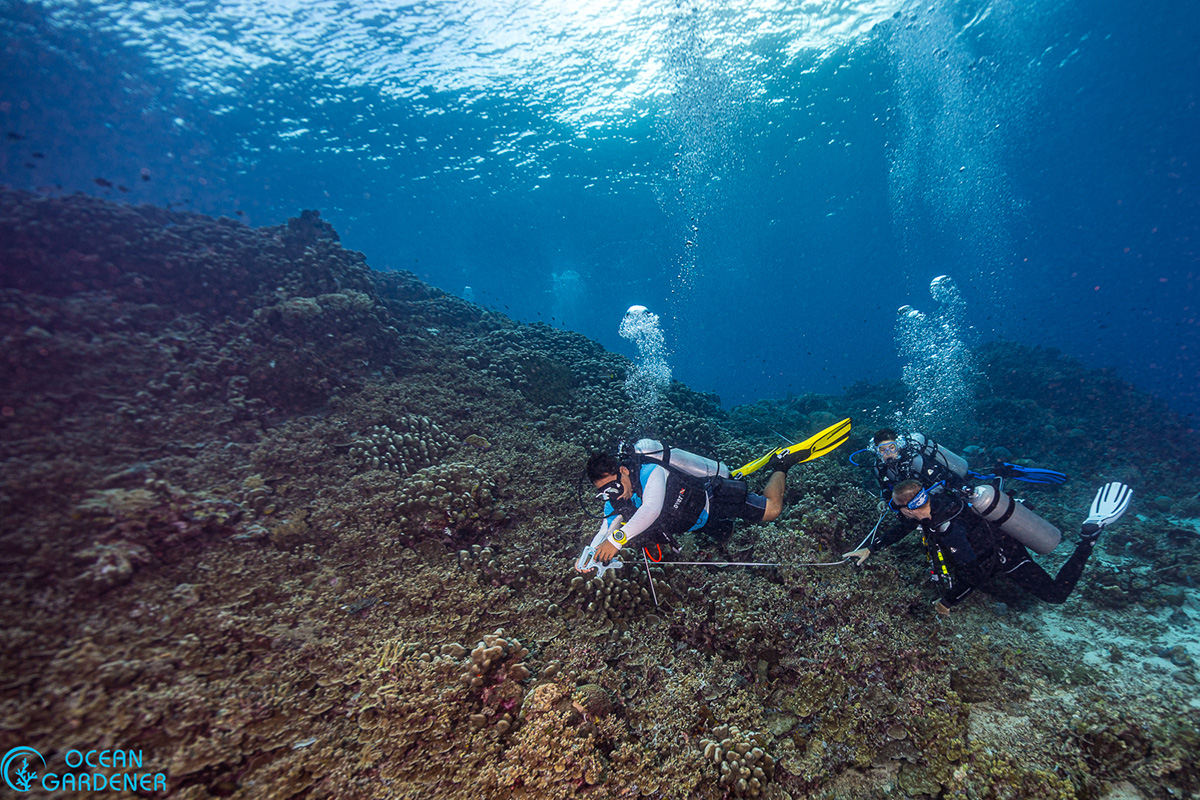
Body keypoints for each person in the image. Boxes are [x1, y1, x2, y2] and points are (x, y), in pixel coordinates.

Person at [578, 419, 851, 570]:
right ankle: (740, 483)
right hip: (699, 521)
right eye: (603, 491)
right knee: (726, 535)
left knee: (773, 510)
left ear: (624, 470)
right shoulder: (614, 498)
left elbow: (650, 508)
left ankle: (782, 463)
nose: (611, 494)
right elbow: (607, 525)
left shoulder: (651, 472)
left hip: (712, 498)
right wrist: (589, 555)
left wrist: (616, 541)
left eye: (613, 485)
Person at [842, 479, 1131, 614]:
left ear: (910, 508)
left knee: (1055, 595)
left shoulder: (949, 529)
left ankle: (1088, 540)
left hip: (1007, 557)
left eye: (898, 508)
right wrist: (871, 548)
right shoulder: (937, 505)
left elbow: (976, 575)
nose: (898, 513)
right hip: (988, 546)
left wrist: (947, 603)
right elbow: (902, 528)